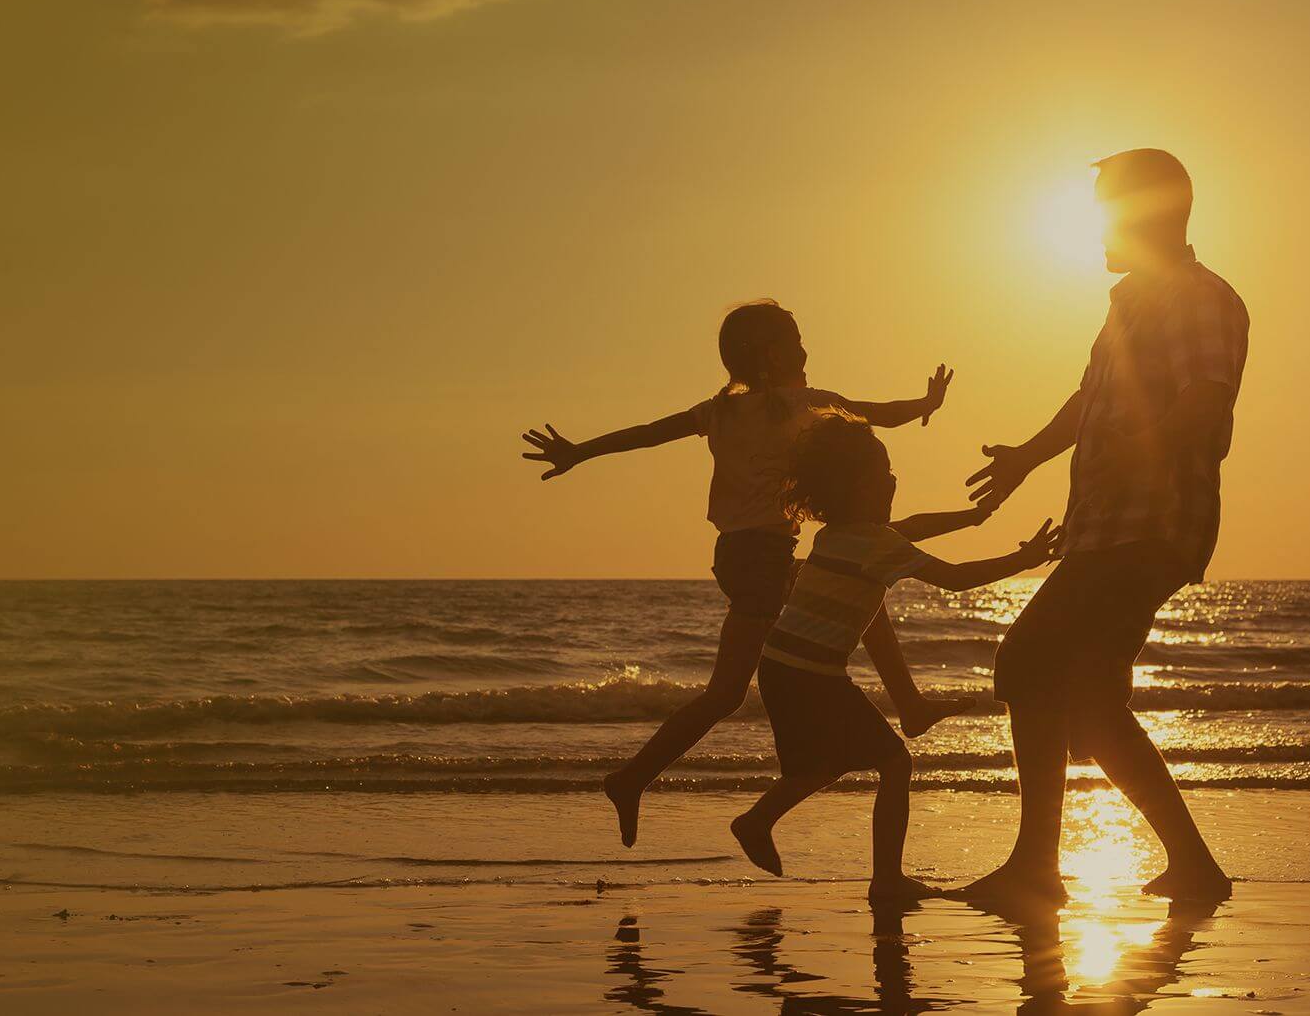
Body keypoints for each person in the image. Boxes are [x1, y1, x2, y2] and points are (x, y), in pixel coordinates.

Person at [520, 300, 967, 847]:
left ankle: (910, 703)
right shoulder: (802, 403)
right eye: (799, 342)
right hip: (762, 561)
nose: (807, 351)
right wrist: (926, 403)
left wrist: (581, 452)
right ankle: (633, 777)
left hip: (736, 554)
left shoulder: (720, 411)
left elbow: (647, 432)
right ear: (775, 354)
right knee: (731, 687)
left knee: (851, 590)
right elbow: (872, 412)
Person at [961, 148, 1249, 907]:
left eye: (1106, 215)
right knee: (1089, 701)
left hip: (1147, 526)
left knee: (1025, 662)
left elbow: (1207, 403)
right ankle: (1193, 866)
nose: (1096, 233)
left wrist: (1134, 451)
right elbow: (1089, 397)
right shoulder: (1132, 305)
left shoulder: (1197, 296)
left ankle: (1036, 868)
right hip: (1110, 526)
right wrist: (1027, 454)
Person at [727, 411, 1063, 897]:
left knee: (821, 765)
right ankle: (886, 881)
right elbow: (956, 578)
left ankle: (757, 820)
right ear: (860, 488)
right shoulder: (878, 545)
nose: (894, 479)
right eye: (884, 473)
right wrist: (1023, 560)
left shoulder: (838, 535)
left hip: (781, 670)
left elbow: (912, 527)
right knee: (895, 764)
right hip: (813, 677)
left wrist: (971, 517)